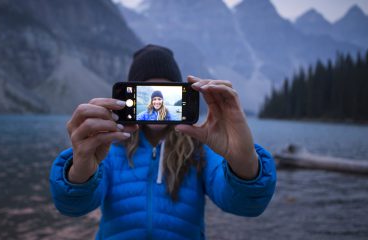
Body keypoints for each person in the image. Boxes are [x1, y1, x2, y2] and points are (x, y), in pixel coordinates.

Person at [49, 44, 276, 239]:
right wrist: (80, 170)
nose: (157, 101)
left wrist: (245, 162)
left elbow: (246, 206)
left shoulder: (200, 149)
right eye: (151, 94)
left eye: (163, 94)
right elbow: (73, 207)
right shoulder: (109, 145)